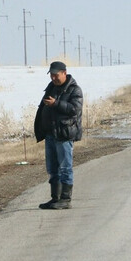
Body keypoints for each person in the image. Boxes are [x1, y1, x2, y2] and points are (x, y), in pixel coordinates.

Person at [33, 61, 83, 210]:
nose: (54, 78)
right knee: (52, 168)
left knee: (65, 168)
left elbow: (75, 109)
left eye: (56, 75)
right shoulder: (51, 88)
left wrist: (56, 104)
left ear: (64, 73)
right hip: (50, 134)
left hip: (64, 135)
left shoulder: (74, 90)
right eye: (52, 75)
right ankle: (55, 198)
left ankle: (65, 199)